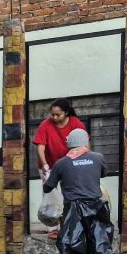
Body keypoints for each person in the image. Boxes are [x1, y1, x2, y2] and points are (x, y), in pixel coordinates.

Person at [43, 129, 114, 254]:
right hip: (97, 209)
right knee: (97, 247)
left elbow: (47, 188)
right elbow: (103, 173)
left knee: (67, 250)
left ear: (69, 144)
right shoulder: (98, 158)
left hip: (73, 212)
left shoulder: (61, 163)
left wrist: (52, 176)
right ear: (85, 142)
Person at [33, 99, 87, 240]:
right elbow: (40, 147)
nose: (55, 118)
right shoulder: (45, 124)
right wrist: (45, 165)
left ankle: (70, 225)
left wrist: (84, 163)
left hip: (69, 165)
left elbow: (84, 145)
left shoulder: (76, 124)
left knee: (69, 194)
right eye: (53, 115)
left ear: (66, 112)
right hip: (48, 166)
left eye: (58, 115)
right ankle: (52, 228)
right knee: (50, 195)